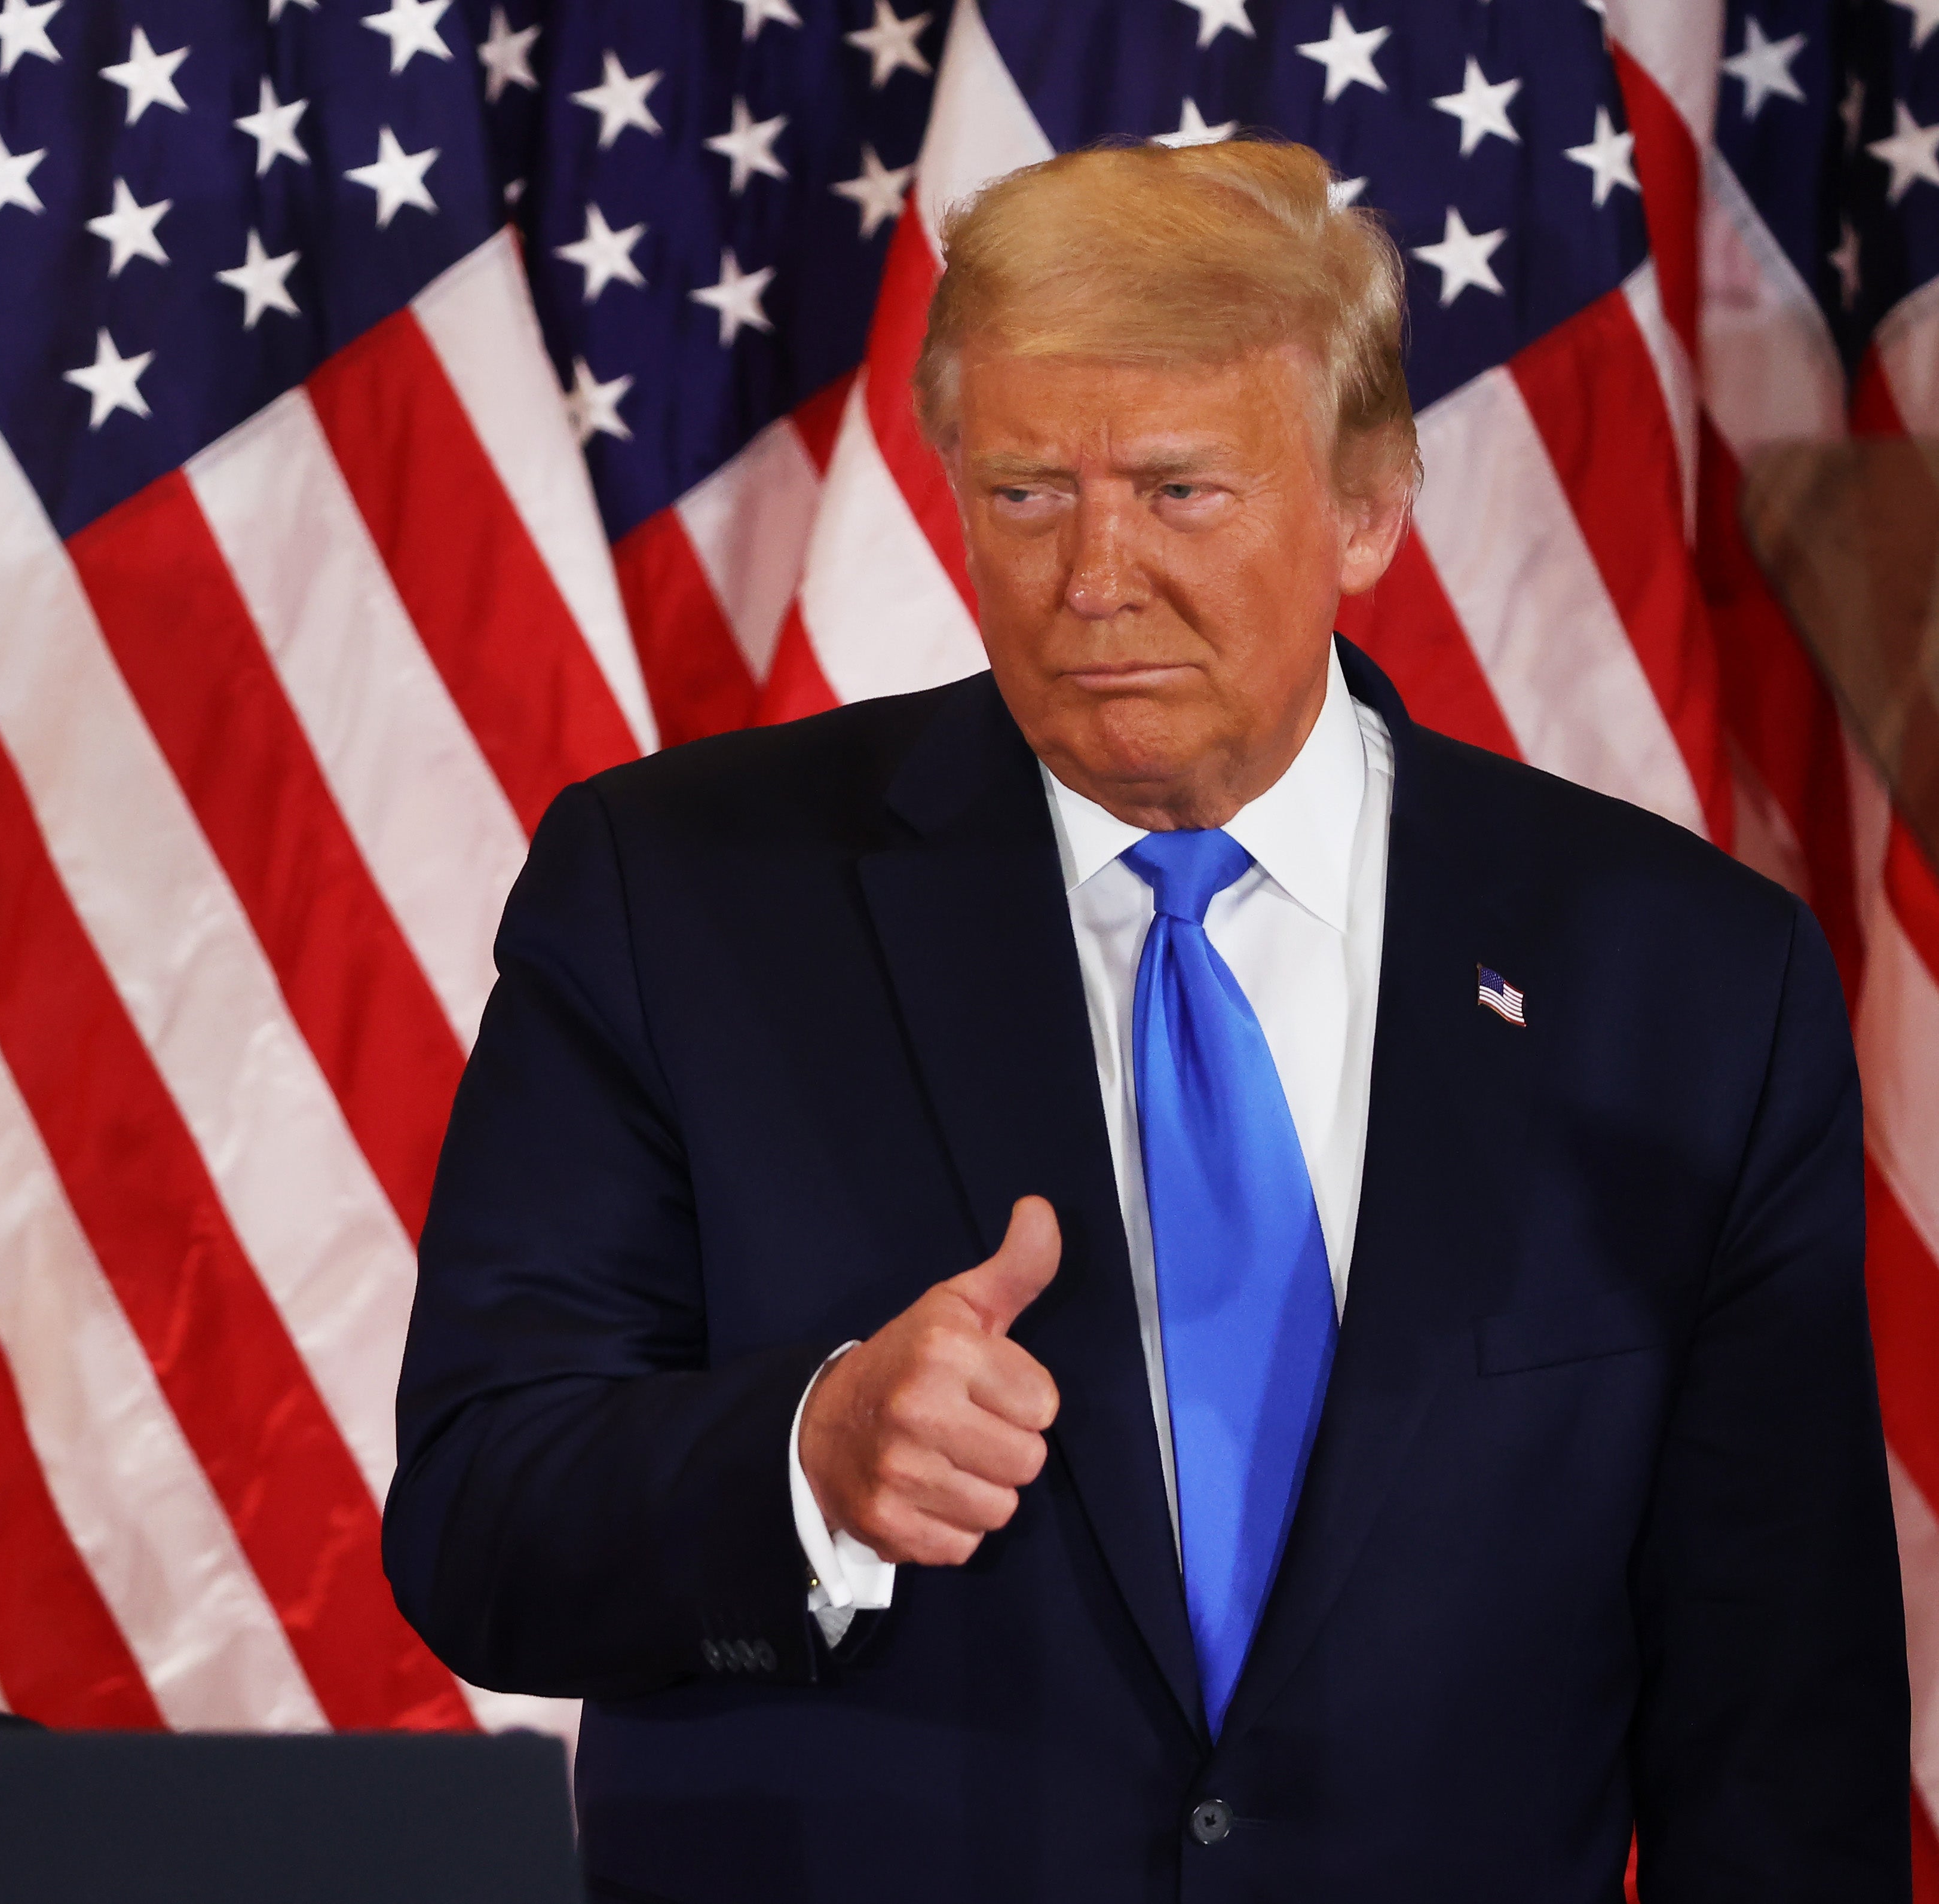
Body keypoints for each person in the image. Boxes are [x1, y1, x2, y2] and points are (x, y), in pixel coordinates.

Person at [386, 139, 1907, 1900]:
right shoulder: (673, 899)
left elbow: (1777, 1729)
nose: (1092, 577)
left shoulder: (1681, 982)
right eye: (1028, 493)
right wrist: (805, 1453)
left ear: (1365, 504)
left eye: (1179, 491)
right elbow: (477, 1520)